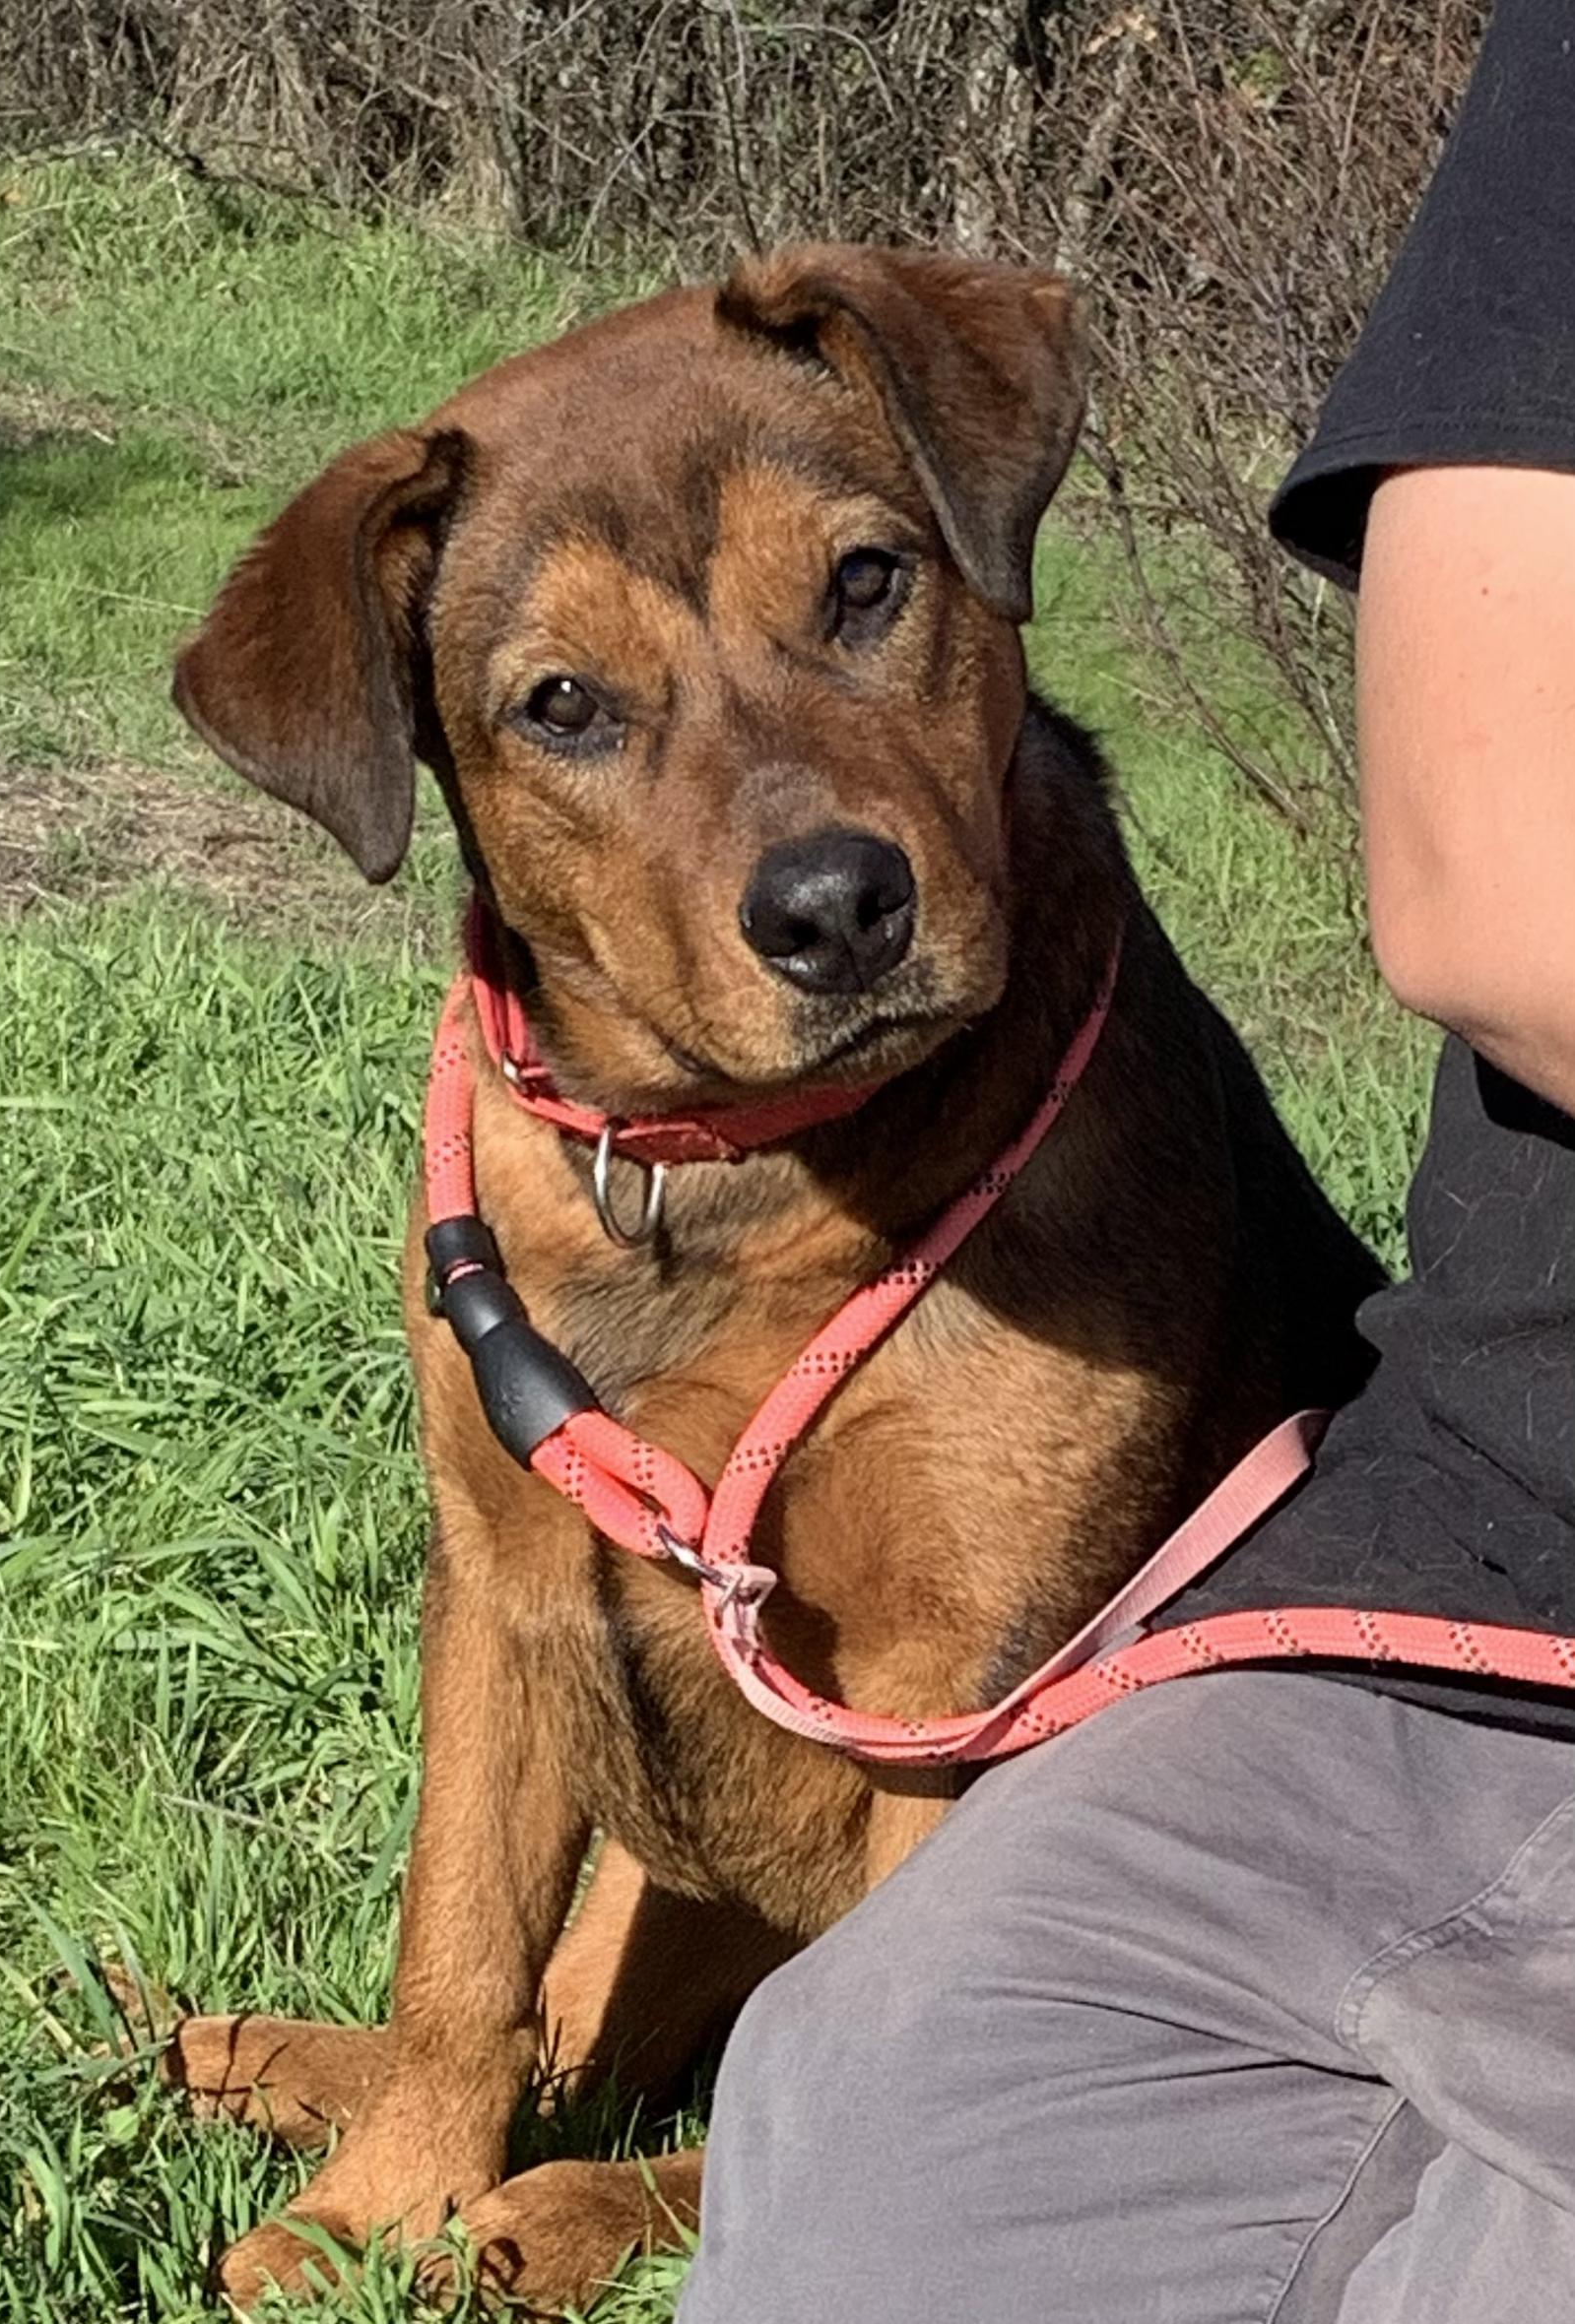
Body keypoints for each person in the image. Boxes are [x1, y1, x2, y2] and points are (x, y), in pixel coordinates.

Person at [676, 4, 1575, 2316]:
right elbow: (1502, 861)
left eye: (865, 591)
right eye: (569, 713)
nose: (804, 840)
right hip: (1484, 1555)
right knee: (864, 2142)